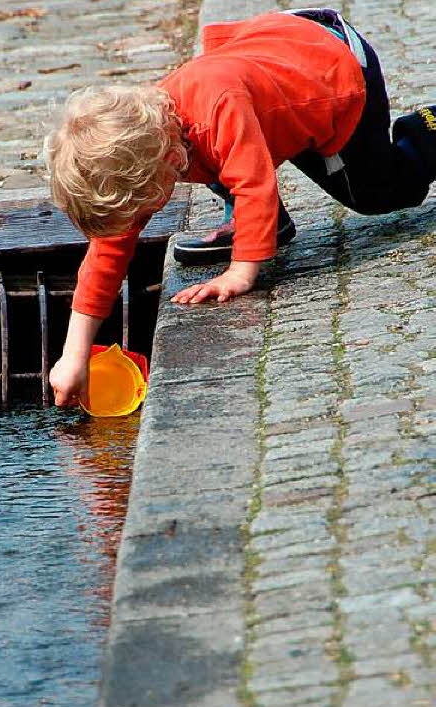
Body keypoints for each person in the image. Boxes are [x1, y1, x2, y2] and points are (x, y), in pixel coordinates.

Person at [43, 7, 436, 408]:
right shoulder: (152, 137)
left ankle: (427, 128)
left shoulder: (216, 113)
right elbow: (109, 248)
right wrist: (74, 353)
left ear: (163, 166)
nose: (141, 221)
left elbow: (255, 184)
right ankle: (266, 226)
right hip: (275, 67)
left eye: (144, 206)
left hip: (333, 71)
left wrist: (240, 273)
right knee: (227, 154)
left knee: (379, 193)